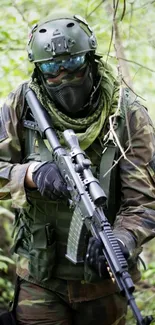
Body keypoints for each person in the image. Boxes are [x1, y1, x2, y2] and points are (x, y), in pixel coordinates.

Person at [0, 13, 155, 325]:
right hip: (40, 277)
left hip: (103, 281)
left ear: (91, 60)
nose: (63, 76)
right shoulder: (21, 104)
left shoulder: (128, 114)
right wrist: (31, 176)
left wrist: (122, 240)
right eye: (50, 69)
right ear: (37, 69)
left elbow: (144, 201)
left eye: (73, 64)